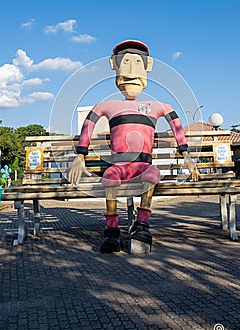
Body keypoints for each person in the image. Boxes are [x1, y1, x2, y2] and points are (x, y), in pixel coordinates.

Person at [69, 39, 199, 253]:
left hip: (143, 166)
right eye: (125, 63)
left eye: (137, 64)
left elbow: (176, 124)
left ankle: (142, 224)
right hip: (119, 165)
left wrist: (185, 154)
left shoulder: (158, 106)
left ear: (148, 67)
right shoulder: (107, 105)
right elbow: (88, 124)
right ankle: (111, 230)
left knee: (152, 175)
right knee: (109, 177)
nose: (130, 72)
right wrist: (80, 155)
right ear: (114, 65)